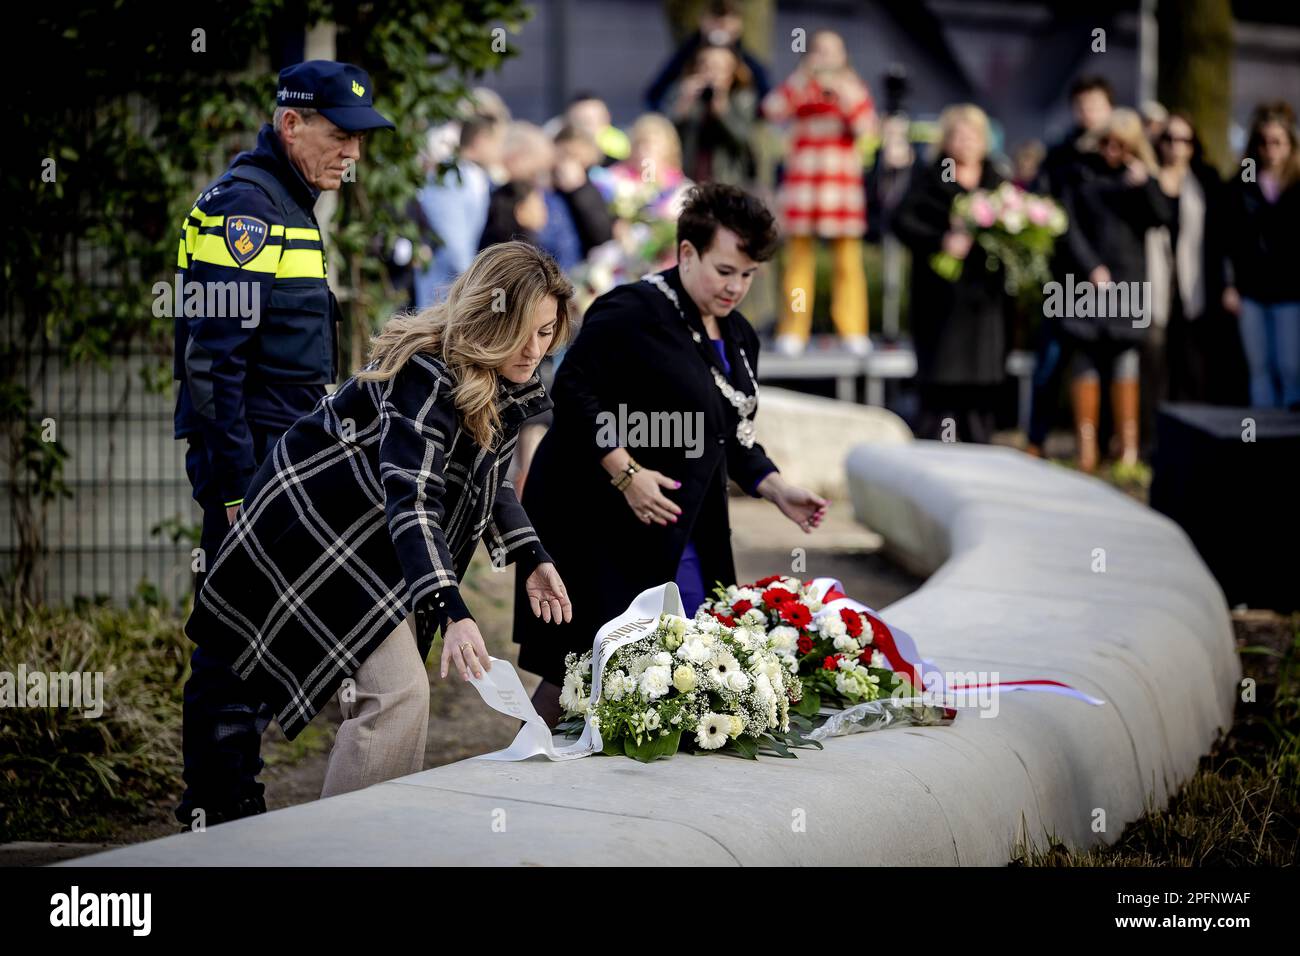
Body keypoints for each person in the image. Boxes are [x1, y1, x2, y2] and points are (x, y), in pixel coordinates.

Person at [184, 241, 574, 801]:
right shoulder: (428, 372)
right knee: (397, 694)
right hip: (317, 535)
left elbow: (487, 483)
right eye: (525, 331)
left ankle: (379, 836)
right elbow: (414, 498)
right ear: (492, 318)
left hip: (380, 544)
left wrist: (532, 556)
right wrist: (453, 611)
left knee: (397, 697)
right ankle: (348, 849)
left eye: (546, 334)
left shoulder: (502, 378)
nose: (536, 350)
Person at [171, 60, 395, 829]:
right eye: (339, 136)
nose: (352, 155)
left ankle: (233, 798)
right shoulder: (249, 210)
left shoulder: (287, 202)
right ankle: (218, 811)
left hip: (282, 458)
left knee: (259, 634)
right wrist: (234, 489)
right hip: (254, 466)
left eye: (360, 141)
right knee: (234, 642)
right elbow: (211, 365)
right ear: (290, 123)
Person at [513, 183, 829, 727]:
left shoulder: (739, 335)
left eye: (749, 275)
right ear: (687, 253)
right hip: (594, 512)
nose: (737, 287)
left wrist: (777, 488)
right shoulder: (632, 309)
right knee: (586, 663)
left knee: (670, 664)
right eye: (725, 270)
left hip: (682, 523)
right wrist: (626, 472)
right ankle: (518, 772)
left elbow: (733, 432)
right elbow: (571, 391)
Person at [1060, 108, 1174, 472]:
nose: (1113, 151)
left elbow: (1163, 219)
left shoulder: (1140, 179)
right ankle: (1086, 451)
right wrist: (1090, 265)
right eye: (1108, 143)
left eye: (1122, 146)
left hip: (1129, 280)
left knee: (1126, 361)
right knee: (1086, 358)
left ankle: (1126, 451)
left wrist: (1147, 184)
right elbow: (1068, 226)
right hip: (1084, 279)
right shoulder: (1079, 173)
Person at [892, 104, 1009, 444]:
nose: (965, 142)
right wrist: (941, 240)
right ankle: (938, 442)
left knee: (981, 374)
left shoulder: (997, 180)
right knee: (942, 373)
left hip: (984, 299)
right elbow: (902, 222)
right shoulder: (930, 176)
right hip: (939, 299)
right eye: (958, 134)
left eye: (972, 135)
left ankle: (979, 440)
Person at [763, 29, 876, 356]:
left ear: (843, 57)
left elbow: (865, 126)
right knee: (799, 261)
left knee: (847, 263)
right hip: (804, 185)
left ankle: (853, 330)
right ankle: (794, 330)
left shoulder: (852, 87)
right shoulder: (799, 84)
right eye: (819, 51)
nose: (825, 58)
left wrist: (841, 90)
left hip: (840, 186)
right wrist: (802, 78)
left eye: (832, 51)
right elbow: (770, 110)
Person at [1025, 75, 1115, 459]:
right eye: (1081, 106)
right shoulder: (1060, 155)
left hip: (1117, 278)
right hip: (1067, 278)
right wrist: (1089, 264)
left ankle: (1105, 446)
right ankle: (1036, 441)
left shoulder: (1122, 152)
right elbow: (1054, 217)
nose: (1088, 113)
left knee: (1107, 364)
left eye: (1095, 105)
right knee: (1049, 361)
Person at [1144, 111, 1236, 419]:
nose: (1175, 146)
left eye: (1183, 139)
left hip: (1196, 287)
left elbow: (1224, 239)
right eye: (1168, 139)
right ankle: (1152, 440)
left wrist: (1227, 284)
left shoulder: (1207, 182)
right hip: (1152, 287)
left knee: (1193, 365)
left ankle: (1192, 433)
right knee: (1155, 366)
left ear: (1193, 145)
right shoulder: (1146, 179)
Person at [1224, 101, 1300, 409]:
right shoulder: (1241, 185)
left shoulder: (1298, 186)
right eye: (1264, 142)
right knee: (1259, 367)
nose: (1271, 149)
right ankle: (1263, 435)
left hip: (1290, 290)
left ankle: (1289, 433)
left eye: (1278, 142)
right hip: (1251, 289)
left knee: (1291, 366)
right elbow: (1228, 240)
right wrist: (1229, 284)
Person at [412, 113, 502, 308]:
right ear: (481, 140)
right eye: (497, 142)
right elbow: (453, 241)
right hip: (443, 290)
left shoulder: (471, 175)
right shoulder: (452, 177)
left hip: (454, 288)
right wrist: (472, 288)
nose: (500, 150)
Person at [644, 0, 770, 116]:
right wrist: (681, 104)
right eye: (705, 66)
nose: (722, 25)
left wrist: (728, 108)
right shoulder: (687, 54)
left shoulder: (746, 61)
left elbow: (765, 102)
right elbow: (655, 96)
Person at [671, 41, 758, 187]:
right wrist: (683, 105)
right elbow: (667, 137)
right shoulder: (685, 96)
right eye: (705, 67)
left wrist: (722, 110)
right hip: (689, 179)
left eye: (719, 68)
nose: (711, 74)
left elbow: (743, 140)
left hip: (728, 181)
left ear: (732, 73)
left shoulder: (742, 99)